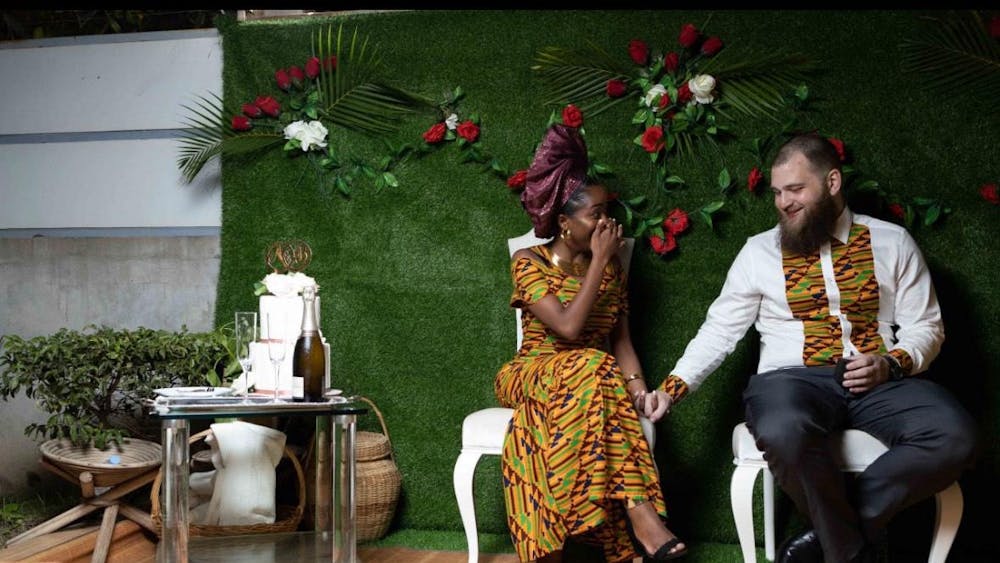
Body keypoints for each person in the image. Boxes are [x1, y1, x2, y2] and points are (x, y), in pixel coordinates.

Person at [652, 133, 978, 563]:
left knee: (955, 434)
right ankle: (849, 552)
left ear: (832, 182)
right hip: (790, 382)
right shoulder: (757, 252)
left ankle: (824, 541)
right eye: (777, 192)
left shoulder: (893, 241)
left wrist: (891, 363)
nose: (783, 202)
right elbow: (719, 331)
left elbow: (926, 325)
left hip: (880, 380)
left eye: (795, 189)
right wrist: (673, 388)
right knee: (782, 428)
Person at [494, 123, 688, 563]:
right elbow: (567, 328)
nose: (607, 223)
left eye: (608, 212)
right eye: (595, 214)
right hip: (531, 372)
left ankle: (551, 549)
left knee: (565, 397)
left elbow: (621, 341)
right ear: (564, 223)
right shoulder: (528, 262)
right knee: (593, 363)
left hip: (591, 382)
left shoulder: (612, 271)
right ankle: (641, 517)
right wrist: (600, 260)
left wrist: (638, 391)